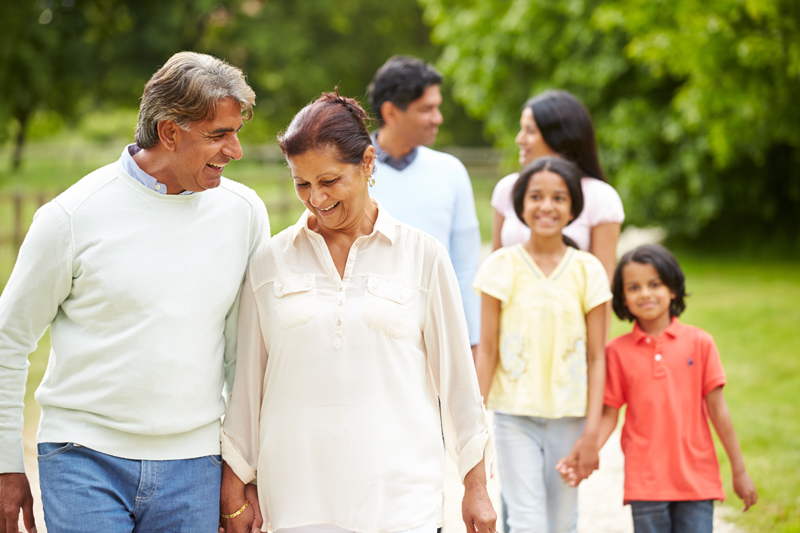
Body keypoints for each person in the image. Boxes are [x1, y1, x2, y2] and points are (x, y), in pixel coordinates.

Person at [0, 52, 269, 532]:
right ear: (170, 132)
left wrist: (242, 470)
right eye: (218, 135)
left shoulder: (244, 213)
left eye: (236, 133)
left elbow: (244, 355)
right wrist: (5, 465)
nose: (235, 150)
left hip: (195, 464)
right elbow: (9, 340)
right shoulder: (71, 217)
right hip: (82, 458)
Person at [218, 92, 495, 533]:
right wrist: (234, 488)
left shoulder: (423, 256)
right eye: (301, 183)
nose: (316, 198)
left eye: (329, 181)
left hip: (402, 506)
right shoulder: (270, 262)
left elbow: (459, 383)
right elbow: (248, 386)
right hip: (295, 506)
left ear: (368, 163)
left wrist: (476, 488)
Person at [559, 244, 758, 533]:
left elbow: (719, 411)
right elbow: (609, 416)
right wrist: (584, 452)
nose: (645, 293)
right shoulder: (617, 352)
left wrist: (739, 469)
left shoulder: (701, 343)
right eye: (634, 287)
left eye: (655, 284)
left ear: (673, 289)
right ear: (623, 298)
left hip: (698, 480)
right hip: (645, 483)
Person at [474, 157, 610, 533]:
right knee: (527, 521)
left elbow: (598, 357)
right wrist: (473, 423)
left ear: (572, 209)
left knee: (561, 523)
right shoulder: (501, 267)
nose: (546, 206)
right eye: (536, 196)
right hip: (514, 416)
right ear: (520, 205)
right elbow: (487, 350)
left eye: (558, 198)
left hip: (570, 417)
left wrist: (592, 436)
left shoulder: (588, 270)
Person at [367, 55, 481, 354]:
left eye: (437, 107)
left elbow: (466, 266)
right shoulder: (348, 170)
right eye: (426, 109)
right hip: (367, 338)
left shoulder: (451, 171)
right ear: (391, 111)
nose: (438, 118)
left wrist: (471, 340)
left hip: (436, 337)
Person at [490, 90, 623, 283]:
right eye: (521, 129)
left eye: (530, 131)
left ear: (560, 137)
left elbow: (602, 284)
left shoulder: (600, 197)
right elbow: (495, 271)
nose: (520, 139)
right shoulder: (508, 189)